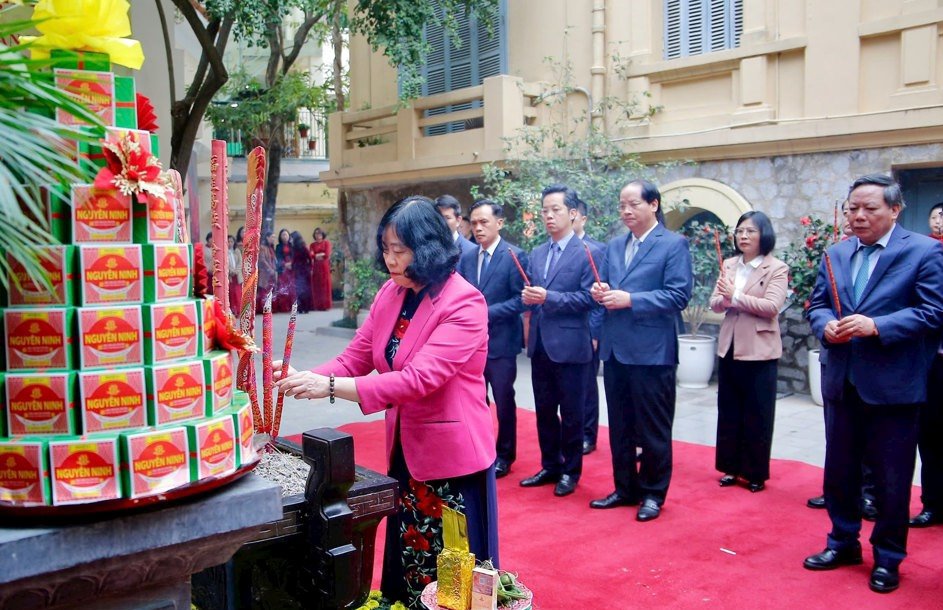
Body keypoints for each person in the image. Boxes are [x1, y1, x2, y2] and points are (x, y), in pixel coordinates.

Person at [273, 196, 498, 607]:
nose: (390, 259)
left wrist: (327, 389)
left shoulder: (464, 302)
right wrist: (303, 376)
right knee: (411, 560)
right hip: (406, 448)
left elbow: (418, 380)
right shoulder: (391, 293)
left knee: (450, 571)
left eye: (400, 249)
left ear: (427, 247)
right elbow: (355, 357)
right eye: (386, 248)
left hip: (451, 458)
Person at [803, 174, 943, 594]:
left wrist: (877, 325)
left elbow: (934, 311)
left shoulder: (923, 252)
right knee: (840, 473)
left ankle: (888, 558)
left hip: (894, 386)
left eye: (870, 209)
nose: (858, 217)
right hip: (843, 382)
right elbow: (818, 303)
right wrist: (825, 326)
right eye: (852, 209)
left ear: (895, 210)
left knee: (892, 478)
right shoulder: (836, 252)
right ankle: (842, 542)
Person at [589, 179, 692, 522]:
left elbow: (678, 296)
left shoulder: (673, 244)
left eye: (633, 204)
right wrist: (601, 291)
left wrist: (631, 299)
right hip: (617, 349)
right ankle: (624, 487)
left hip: (652, 351)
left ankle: (653, 492)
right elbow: (607, 288)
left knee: (653, 428)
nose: (626, 211)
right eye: (622, 205)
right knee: (619, 425)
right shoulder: (615, 246)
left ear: (654, 205)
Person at [519, 184, 601, 498]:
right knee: (543, 410)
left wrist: (548, 297)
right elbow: (529, 295)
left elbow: (589, 299)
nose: (549, 216)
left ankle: (571, 471)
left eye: (556, 210)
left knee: (572, 413)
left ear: (573, 214)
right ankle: (550, 464)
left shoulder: (588, 253)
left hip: (571, 346)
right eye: (545, 211)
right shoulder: (537, 253)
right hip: (540, 344)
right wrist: (528, 298)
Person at [709, 211, 788, 493]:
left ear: (763, 235)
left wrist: (736, 297)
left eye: (750, 231)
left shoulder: (776, 268)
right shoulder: (729, 264)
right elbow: (716, 302)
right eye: (740, 231)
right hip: (729, 345)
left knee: (758, 412)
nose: (743, 236)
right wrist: (723, 300)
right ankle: (730, 466)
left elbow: (771, 307)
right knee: (729, 410)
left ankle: (755, 472)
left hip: (759, 349)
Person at [458, 199, 528, 479]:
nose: (478, 228)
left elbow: (521, 300)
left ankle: (505, 453)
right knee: (474, 399)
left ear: (499, 223)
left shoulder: (514, 255)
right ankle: (478, 448)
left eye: (484, 222)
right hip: (470, 346)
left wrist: (485, 312)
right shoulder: (467, 257)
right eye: (473, 223)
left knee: (503, 398)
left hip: (501, 342)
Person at [910, 201, 943, 528]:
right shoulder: (922, 253)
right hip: (933, 360)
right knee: (931, 433)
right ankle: (933, 502)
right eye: (935, 215)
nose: (939, 220)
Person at [574, 198, 606, 455]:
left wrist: (594, 332)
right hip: (564, 333)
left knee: (586, 385)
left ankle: (588, 434)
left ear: (582, 218)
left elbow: (598, 299)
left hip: (588, 329)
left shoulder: (594, 249)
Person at [309, 228, 333, 311]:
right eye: (316, 234)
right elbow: (311, 255)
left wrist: (317, 255)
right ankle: (317, 305)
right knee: (317, 285)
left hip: (324, 266)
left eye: (319, 234)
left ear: (322, 235)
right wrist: (319, 255)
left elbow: (326, 254)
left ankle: (325, 305)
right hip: (316, 266)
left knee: (325, 285)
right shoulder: (312, 245)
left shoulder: (326, 243)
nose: (318, 235)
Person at [273, 228, 295, 313]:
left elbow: (295, 256)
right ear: (280, 237)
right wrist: (285, 264)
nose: (284, 236)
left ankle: (292, 306)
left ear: (289, 236)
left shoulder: (292, 245)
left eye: (286, 234)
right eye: (283, 235)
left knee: (292, 288)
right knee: (283, 288)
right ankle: (284, 307)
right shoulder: (278, 247)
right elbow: (278, 258)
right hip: (283, 269)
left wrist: (291, 264)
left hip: (291, 269)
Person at [291, 231, 313, 314]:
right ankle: (303, 307)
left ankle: (303, 307)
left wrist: (310, 268)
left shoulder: (302, 247)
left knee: (301, 289)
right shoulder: (298, 247)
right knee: (302, 289)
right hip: (301, 270)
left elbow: (309, 258)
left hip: (302, 270)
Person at [256, 231, 277, 313]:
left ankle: (268, 308)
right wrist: (270, 269)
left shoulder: (271, 248)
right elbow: (262, 260)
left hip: (272, 273)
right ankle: (263, 308)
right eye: (272, 237)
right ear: (267, 238)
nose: (273, 239)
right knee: (264, 291)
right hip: (265, 273)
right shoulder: (262, 247)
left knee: (270, 290)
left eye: (274, 237)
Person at [228, 234, 243, 317]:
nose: (230, 243)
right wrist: (231, 271)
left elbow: (240, 263)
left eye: (231, 241)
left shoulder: (237, 251)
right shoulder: (224, 251)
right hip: (230, 276)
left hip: (237, 276)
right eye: (228, 241)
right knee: (231, 294)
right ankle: (232, 311)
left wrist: (236, 271)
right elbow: (225, 264)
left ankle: (238, 310)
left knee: (238, 294)